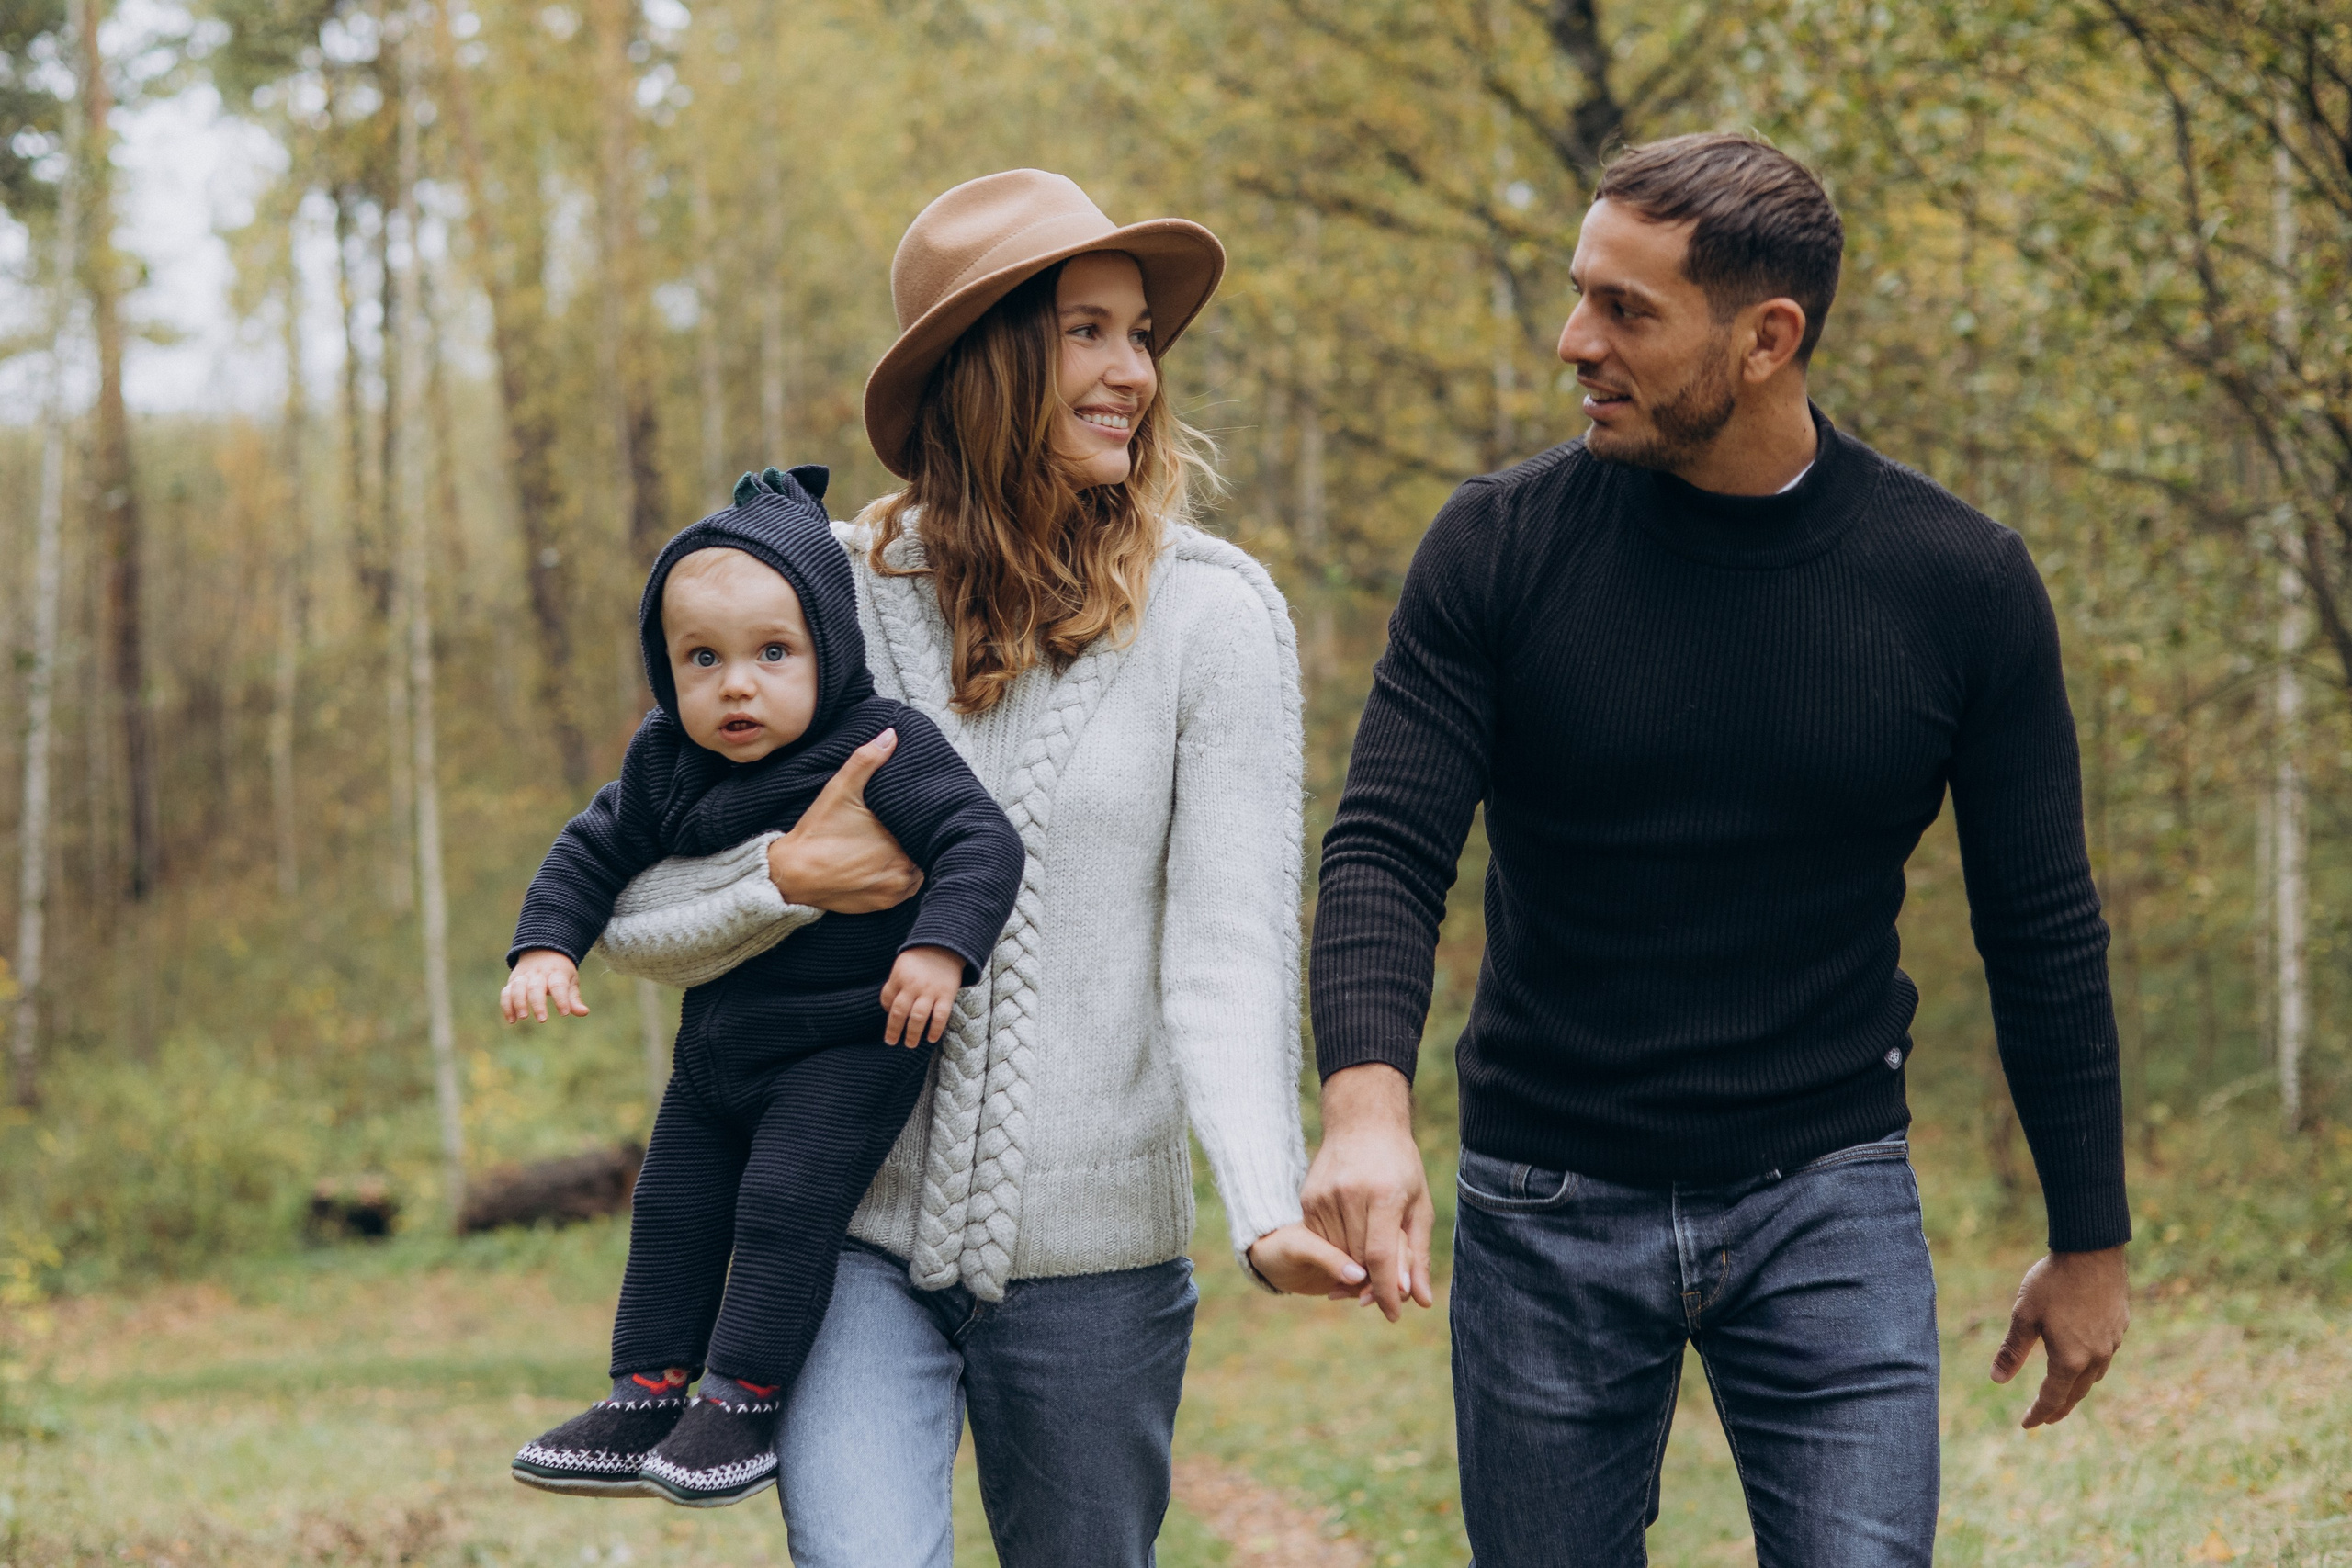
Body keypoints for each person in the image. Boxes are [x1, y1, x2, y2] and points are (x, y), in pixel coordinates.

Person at [1304, 133, 2132, 1566]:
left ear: (1766, 338)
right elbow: (1386, 842)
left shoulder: (1959, 584)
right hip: (1546, 1191)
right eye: (1581, 295)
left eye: (1628, 310)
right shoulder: (1495, 550)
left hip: (1828, 1187)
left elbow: (2042, 922)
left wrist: (2090, 1236)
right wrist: (1367, 1102)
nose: (1577, 342)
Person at [589, 168, 1362, 1564]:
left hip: (1099, 1269)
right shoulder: (809, 593)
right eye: (1086, 330)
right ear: (984, 357)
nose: (1133, 368)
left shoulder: (1215, 615)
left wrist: (1264, 1202)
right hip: (841, 1240)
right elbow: (625, 905)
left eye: (1139, 333)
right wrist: (783, 876)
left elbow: (1228, 949)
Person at [500, 472, 1025, 1506]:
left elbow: (980, 840)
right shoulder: (665, 763)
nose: (736, 686)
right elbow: (589, 854)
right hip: (717, 1052)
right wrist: (544, 949)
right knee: (672, 1205)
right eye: (702, 660)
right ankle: (646, 1390)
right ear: (667, 670)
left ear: (829, 649)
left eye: (771, 654)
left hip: (849, 1044)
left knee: (784, 1202)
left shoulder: (877, 746)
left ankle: (740, 1402)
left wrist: (939, 950)